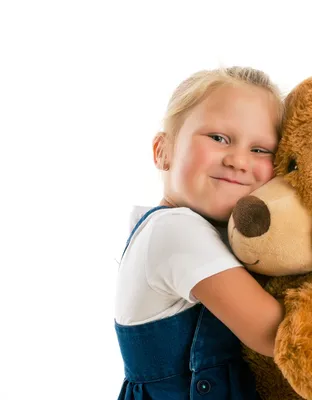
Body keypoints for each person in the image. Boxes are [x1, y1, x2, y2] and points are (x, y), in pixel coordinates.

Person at [114, 66, 285, 399]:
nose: (238, 160)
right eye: (219, 138)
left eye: (261, 150)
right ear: (163, 150)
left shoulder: (202, 233)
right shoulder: (174, 230)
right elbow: (277, 335)